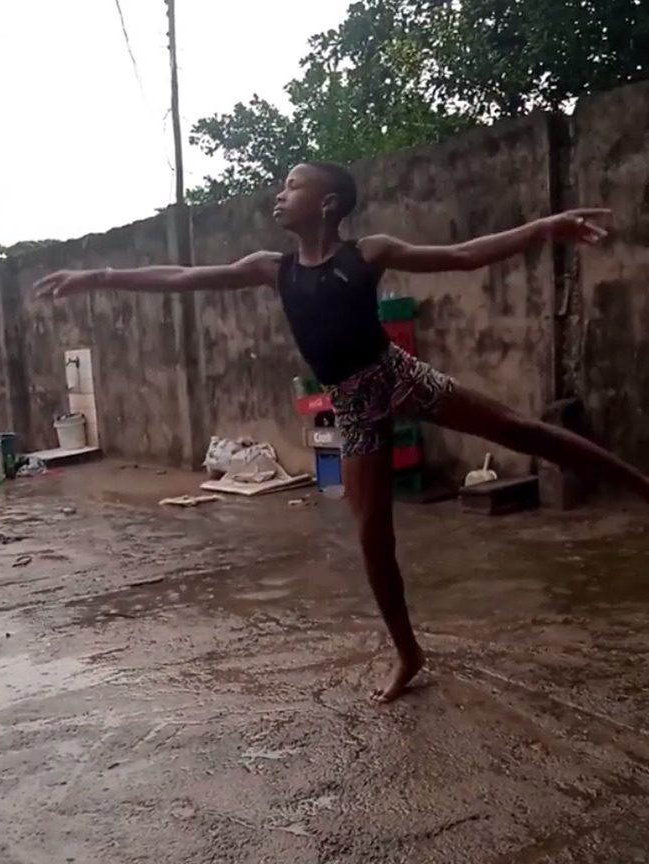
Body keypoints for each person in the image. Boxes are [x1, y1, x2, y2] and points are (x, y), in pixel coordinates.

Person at [34, 162, 649, 703]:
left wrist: (545, 227)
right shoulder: (270, 269)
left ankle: (641, 486)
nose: (279, 195)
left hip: (398, 375)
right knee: (372, 538)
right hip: (354, 407)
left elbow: (463, 255)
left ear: (327, 204)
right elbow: (182, 278)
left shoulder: (367, 253)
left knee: (523, 430)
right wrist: (100, 275)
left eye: (292, 186)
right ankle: (408, 652)